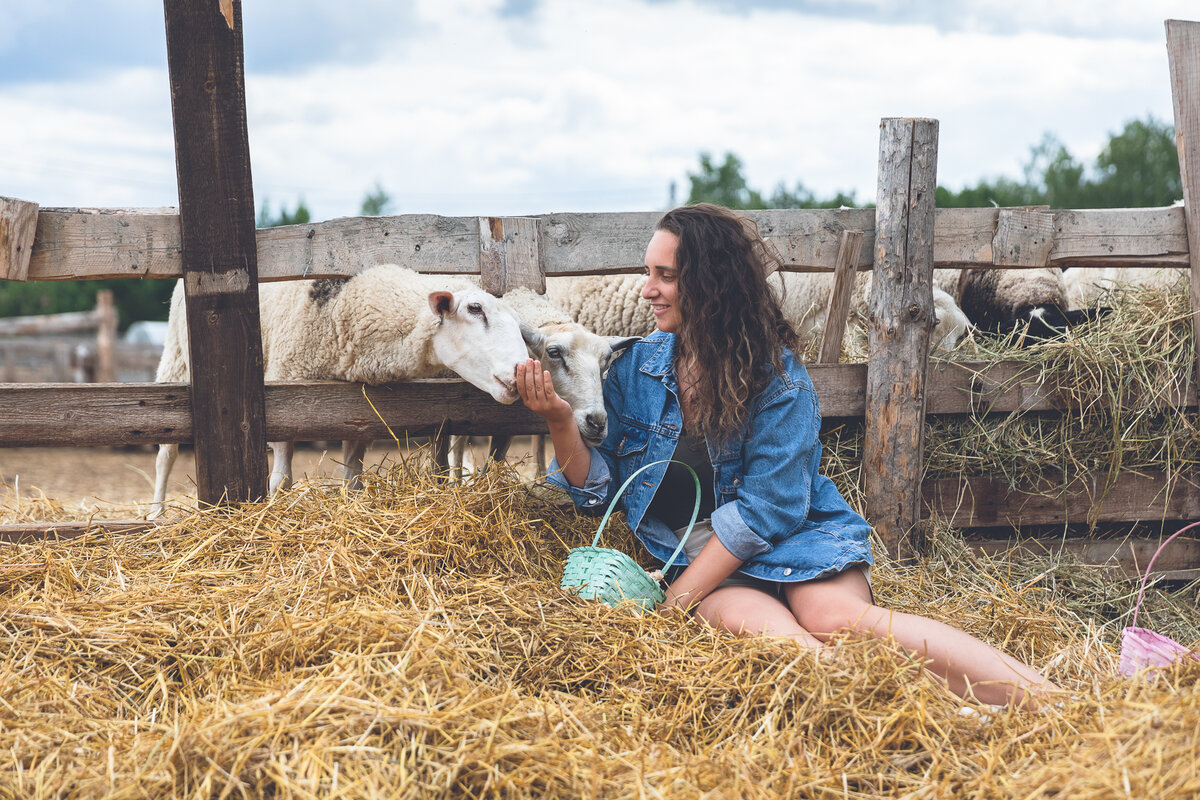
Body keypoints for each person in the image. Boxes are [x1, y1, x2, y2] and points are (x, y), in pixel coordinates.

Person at [517, 203, 1059, 709]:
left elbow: (767, 510)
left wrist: (674, 603)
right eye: (648, 272)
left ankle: (1049, 701)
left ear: (709, 284)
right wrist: (560, 422)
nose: (646, 291)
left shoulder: (776, 379)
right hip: (701, 559)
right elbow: (596, 488)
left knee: (836, 616)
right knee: (787, 643)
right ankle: (933, 720)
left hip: (793, 535)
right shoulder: (633, 370)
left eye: (665, 276)